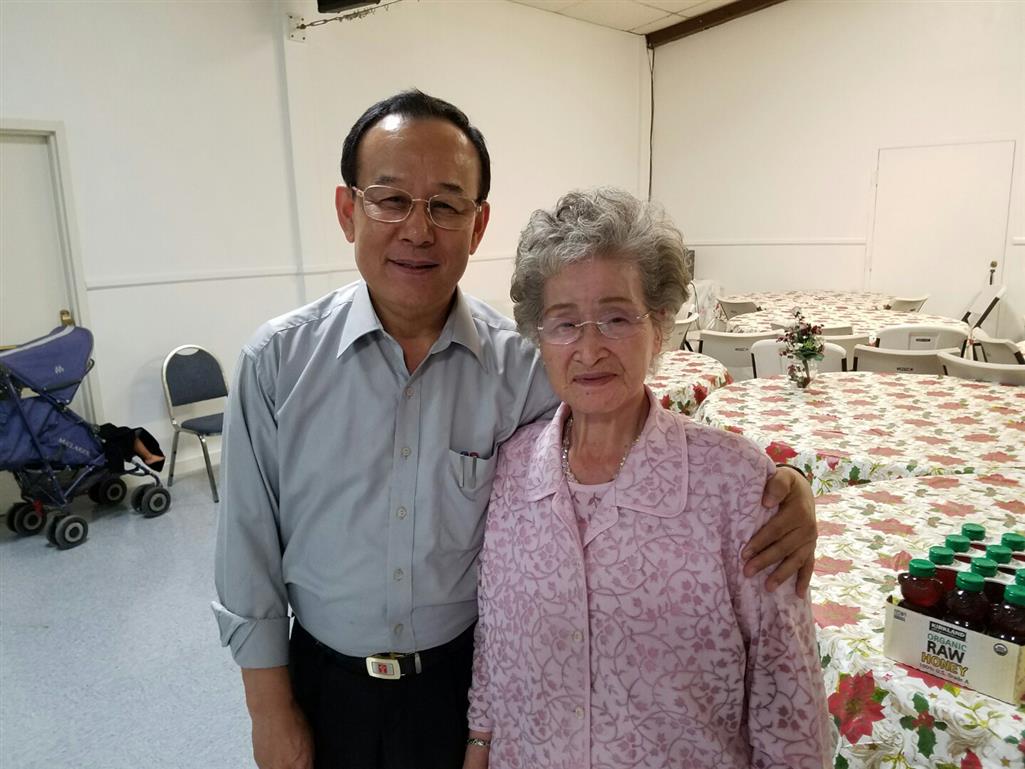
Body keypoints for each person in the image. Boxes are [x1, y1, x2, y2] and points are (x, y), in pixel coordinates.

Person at [213, 91, 819, 769]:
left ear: (477, 226)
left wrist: (784, 485)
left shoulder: (524, 365)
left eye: (446, 205)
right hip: (325, 682)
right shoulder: (277, 362)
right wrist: (267, 709)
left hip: (455, 682)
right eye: (391, 199)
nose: (418, 229)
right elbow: (246, 547)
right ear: (347, 210)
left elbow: (632, 419)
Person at [464, 188, 832, 769]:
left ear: (658, 325)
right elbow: (495, 644)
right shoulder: (511, 470)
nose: (590, 348)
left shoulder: (737, 486)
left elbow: (788, 702)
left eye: (616, 318)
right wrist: (480, 744)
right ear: (539, 337)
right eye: (565, 323)